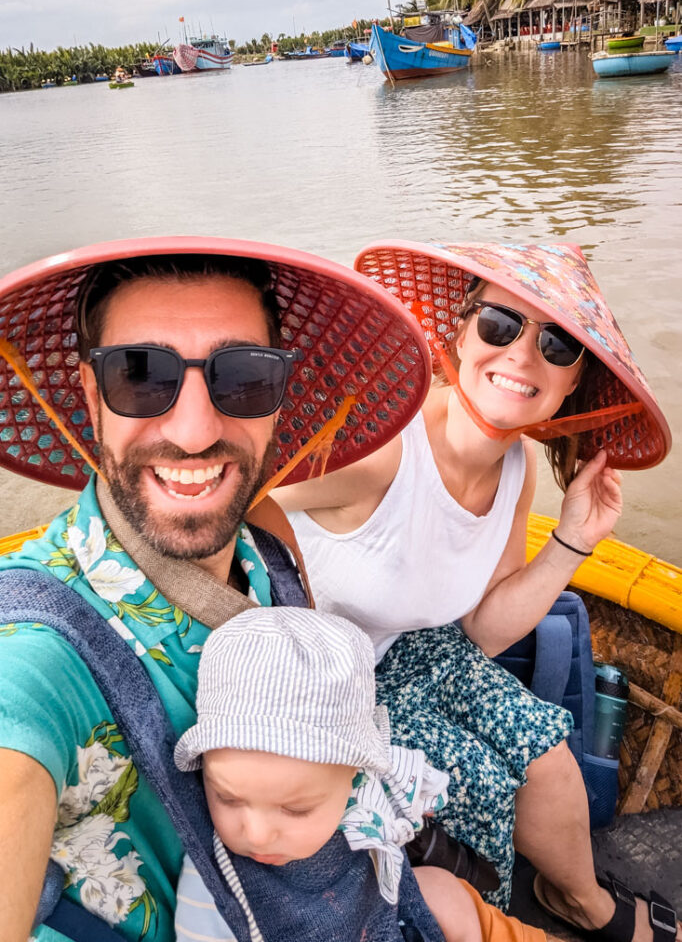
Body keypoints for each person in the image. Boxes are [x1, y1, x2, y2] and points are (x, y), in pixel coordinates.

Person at [0, 236, 432, 942]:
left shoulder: (269, 546)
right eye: (139, 375)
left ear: (278, 395)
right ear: (89, 395)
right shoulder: (35, 648)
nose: (196, 431)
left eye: (244, 377)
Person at [274, 240, 677, 942]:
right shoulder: (380, 448)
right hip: (318, 678)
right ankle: (476, 914)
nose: (522, 357)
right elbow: (233, 498)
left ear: (573, 379)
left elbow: (486, 631)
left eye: (557, 344)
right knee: (477, 780)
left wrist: (574, 539)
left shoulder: (516, 466)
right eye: (499, 325)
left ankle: (578, 899)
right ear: (458, 334)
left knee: (549, 757)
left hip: (412, 650)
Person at [174, 605, 511, 942]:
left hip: (381, 917)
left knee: (449, 892)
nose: (257, 835)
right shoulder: (212, 889)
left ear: (356, 773)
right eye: (228, 798)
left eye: (296, 809)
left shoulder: (366, 791)